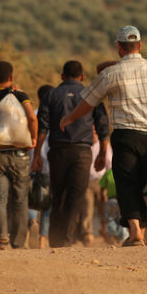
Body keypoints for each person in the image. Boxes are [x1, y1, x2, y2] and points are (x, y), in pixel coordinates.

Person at [60, 25, 147, 247]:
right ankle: (141, 230)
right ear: (141, 45)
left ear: (119, 48)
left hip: (125, 136)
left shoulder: (110, 74)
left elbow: (88, 102)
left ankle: (135, 230)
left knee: (127, 183)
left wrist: (69, 118)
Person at [34, 60, 109, 247]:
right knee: (76, 197)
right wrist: (103, 153)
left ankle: (55, 239)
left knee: (58, 195)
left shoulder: (50, 95)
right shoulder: (91, 94)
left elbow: (42, 128)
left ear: (62, 76)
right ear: (82, 77)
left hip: (58, 151)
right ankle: (66, 240)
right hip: (82, 153)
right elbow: (103, 127)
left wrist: (36, 154)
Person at [0, 61, 38, 250]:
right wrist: (33, 138)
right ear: (11, 78)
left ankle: (1, 238)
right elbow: (32, 117)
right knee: (20, 198)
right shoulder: (20, 96)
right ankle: (19, 242)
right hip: (20, 154)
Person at [28, 85, 53, 250]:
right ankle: (43, 239)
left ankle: (31, 222)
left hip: (31, 163)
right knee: (47, 203)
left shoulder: (32, 115)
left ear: (38, 98)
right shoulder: (56, 115)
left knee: (28, 198)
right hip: (49, 165)